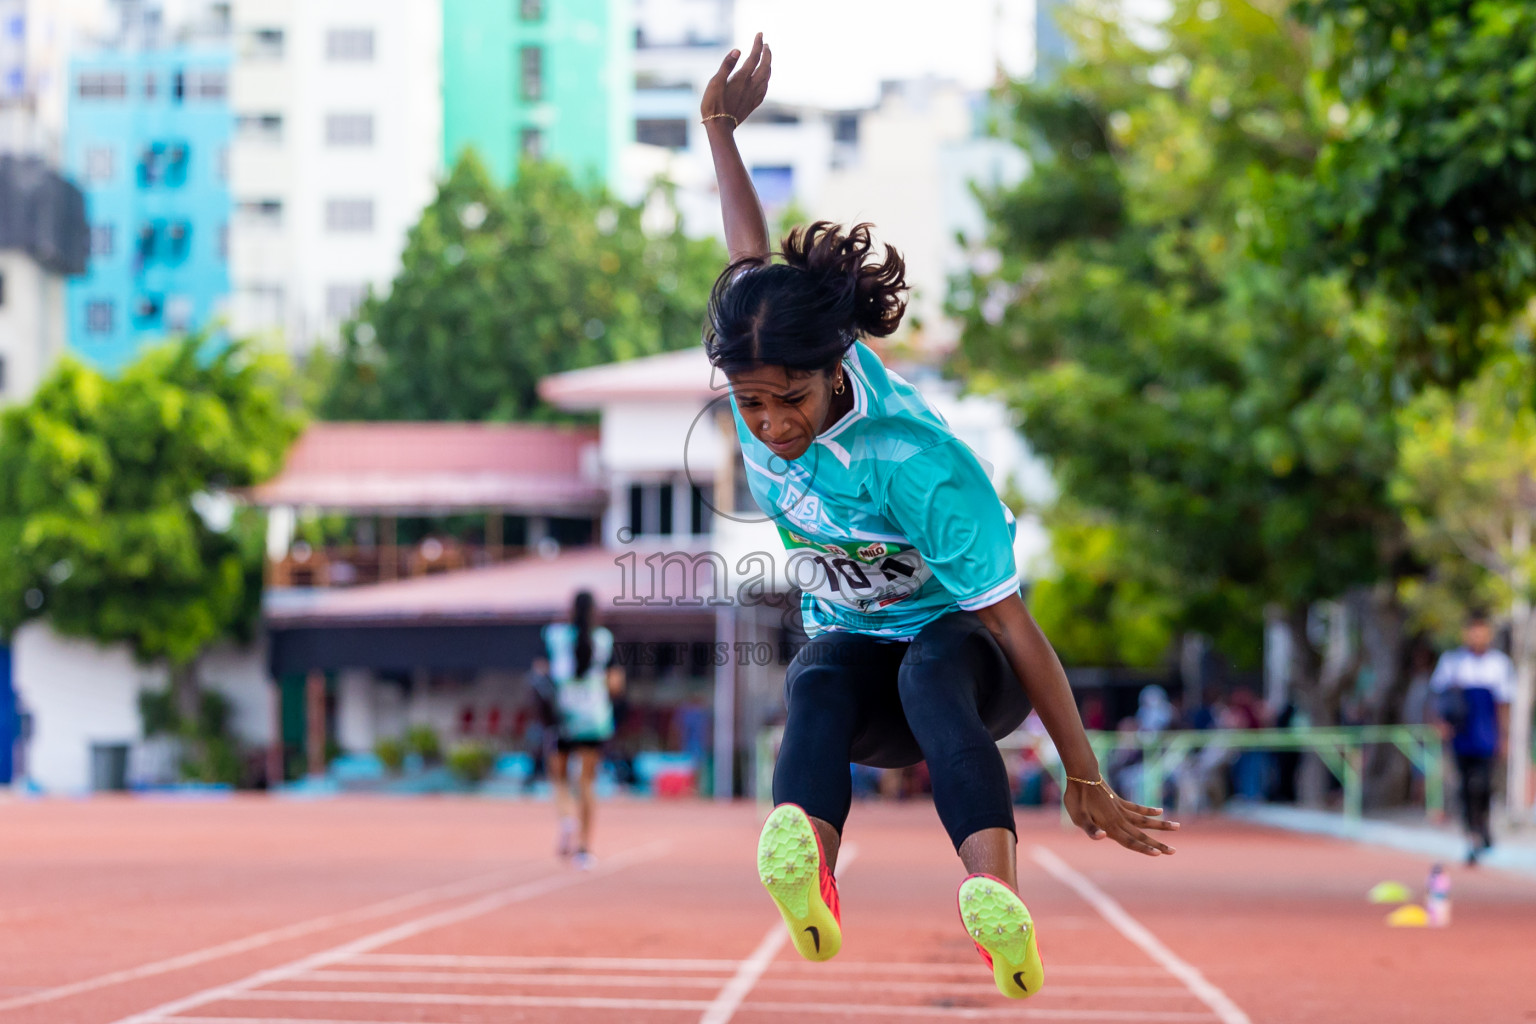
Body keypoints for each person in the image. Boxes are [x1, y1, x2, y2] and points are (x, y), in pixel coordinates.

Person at [701, 35, 1177, 1000]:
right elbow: (749, 266)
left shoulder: (920, 468)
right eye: (750, 404)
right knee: (819, 666)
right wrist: (718, 132)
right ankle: (811, 869)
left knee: (929, 662)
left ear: (836, 368)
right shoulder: (764, 369)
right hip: (864, 673)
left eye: (789, 399)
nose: (771, 424)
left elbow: (1014, 627)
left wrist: (1080, 771)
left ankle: (996, 903)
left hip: (970, 671)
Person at [532, 590, 624, 869]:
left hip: (563, 718)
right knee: (586, 784)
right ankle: (584, 849)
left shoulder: (554, 636)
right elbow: (616, 684)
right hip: (594, 719)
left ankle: (566, 818)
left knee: (558, 779)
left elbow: (540, 672)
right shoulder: (604, 640)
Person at [1430, 611, 1513, 865]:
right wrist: (1440, 724)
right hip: (1462, 733)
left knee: (1484, 785)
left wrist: (1504, 736)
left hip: (1487, 732)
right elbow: (1437, 695)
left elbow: (1504, 703)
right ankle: (1472, 836)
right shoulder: (1452, 662)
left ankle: (1484, 826)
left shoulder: (1499, 663)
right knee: (1465, 786)